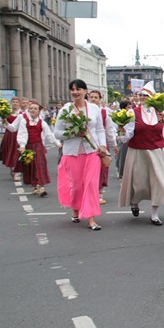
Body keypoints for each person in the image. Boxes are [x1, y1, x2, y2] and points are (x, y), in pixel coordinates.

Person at [118, 81, 164, 226]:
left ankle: (154, 214)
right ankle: (134, 202)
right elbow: (128, 134)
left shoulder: (160, 113)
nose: (142, 97)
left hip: (157, 151)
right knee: (139, 183)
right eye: (141, 95)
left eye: (146, 95)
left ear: (152, 97)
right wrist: (121, 134)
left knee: (158, 182)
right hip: (138, 151)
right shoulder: (132, 113)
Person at [55, 79, 109, 230]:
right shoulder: (66, 110)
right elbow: (57, 132)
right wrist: (73, 133)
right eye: (72, 89)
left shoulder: (93, 109)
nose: (75, 92)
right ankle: (75, 208)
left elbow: (99, 129)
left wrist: (103, 145)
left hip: (92, 151)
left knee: (91, 184)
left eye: (78, 89)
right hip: (72, 153)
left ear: (85, 91)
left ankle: (91, 218)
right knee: (77, 185)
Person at [16, 101, 61, 197]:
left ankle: (41, 186)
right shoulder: (24, 121)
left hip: (38, 146)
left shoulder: (42, 123)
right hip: (28, 147)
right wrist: (22, 146)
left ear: (39, 111)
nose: (33, 110)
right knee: (31, 167)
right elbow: (22, 134)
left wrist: (57, 143)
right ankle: (35, 186)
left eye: (35, 109)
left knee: (40, 166)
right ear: (28, 110)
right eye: (31, 108)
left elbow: (49, 134)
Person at [88, 90, 117, 205]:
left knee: (102, 169)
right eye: (92, 97)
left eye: (96, 97)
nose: (94, 99)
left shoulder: (105, 113)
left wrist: (114, 144)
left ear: (100, 100)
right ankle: (90, 193)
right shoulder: (85, 112)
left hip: (102, 145)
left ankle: (100, 193)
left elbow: (109, 130)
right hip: (88, 145)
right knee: (90, 170)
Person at [0, 97, 24, 180]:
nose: (15, 103)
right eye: (13, 102)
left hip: (19, 134)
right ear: (11, 103)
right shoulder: (7, 113)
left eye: (17, 102)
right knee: (11, 151)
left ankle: (17, 170)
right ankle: (13, 168)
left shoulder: (22, 113)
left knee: (19, 152)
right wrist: (3, 121)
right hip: (10, 135)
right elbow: (3, 123)